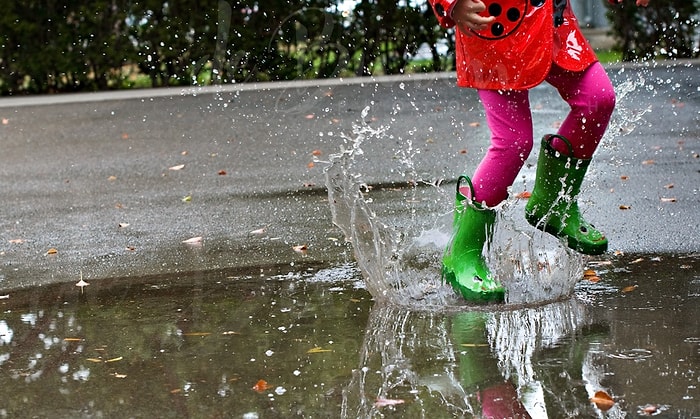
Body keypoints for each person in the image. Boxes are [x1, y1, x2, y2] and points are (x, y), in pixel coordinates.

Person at [430, 0, 650, 302]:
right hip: (495, 27)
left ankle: (554, 202)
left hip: (553, 23)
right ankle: (463, 252)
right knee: (513, 143)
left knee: (597, 100)